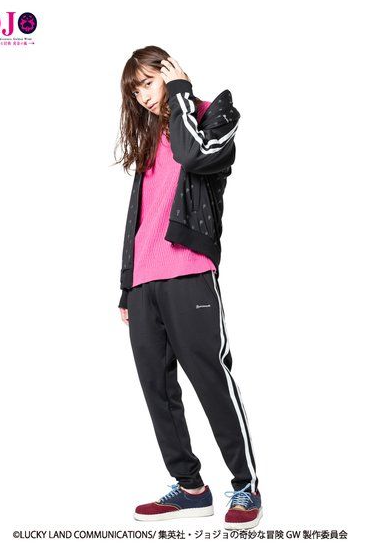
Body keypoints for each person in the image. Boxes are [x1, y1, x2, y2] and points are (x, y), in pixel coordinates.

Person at [113, 45, 262, 530]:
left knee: (211, 379)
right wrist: (126, 285)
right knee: (157, 389)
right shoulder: (148, 137)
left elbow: (196, 155)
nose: (143, 96)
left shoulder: (213, 114)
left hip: (189, 272)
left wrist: (180, 92)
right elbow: (139, 217)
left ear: (170, 73)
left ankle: (245, 485)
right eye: (135, 90)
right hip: (144, 282)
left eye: (148, 82)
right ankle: (190, 488)